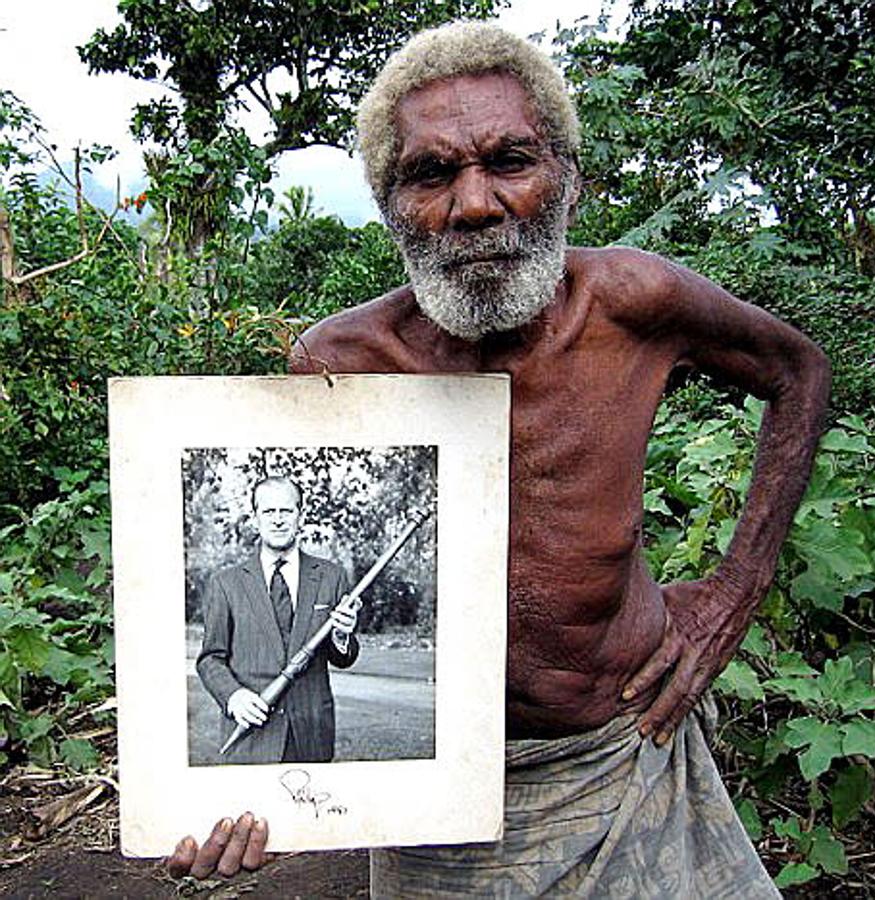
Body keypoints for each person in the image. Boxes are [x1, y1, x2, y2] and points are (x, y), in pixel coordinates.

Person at [169, 22, 830, 896]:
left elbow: (798, 370)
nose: (475, 204)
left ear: (569, 179)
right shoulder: (343, 363)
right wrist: (255, 803)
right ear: (389, 205)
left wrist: (736, 588)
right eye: (432, 172)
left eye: (510, 161)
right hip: (436, 802)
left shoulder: (634, 303)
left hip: (626, 750)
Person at [195, 475, 359, 765]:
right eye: (269, 511)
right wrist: (233, 697)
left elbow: (342, 658)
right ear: (255, 518)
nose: (278, 520)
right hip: (251, 739)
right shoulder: (226, 583)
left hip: (311, 737)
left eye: (287, 510)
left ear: (301, 516)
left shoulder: (331, 576)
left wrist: (342, 637)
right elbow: (210, 659)